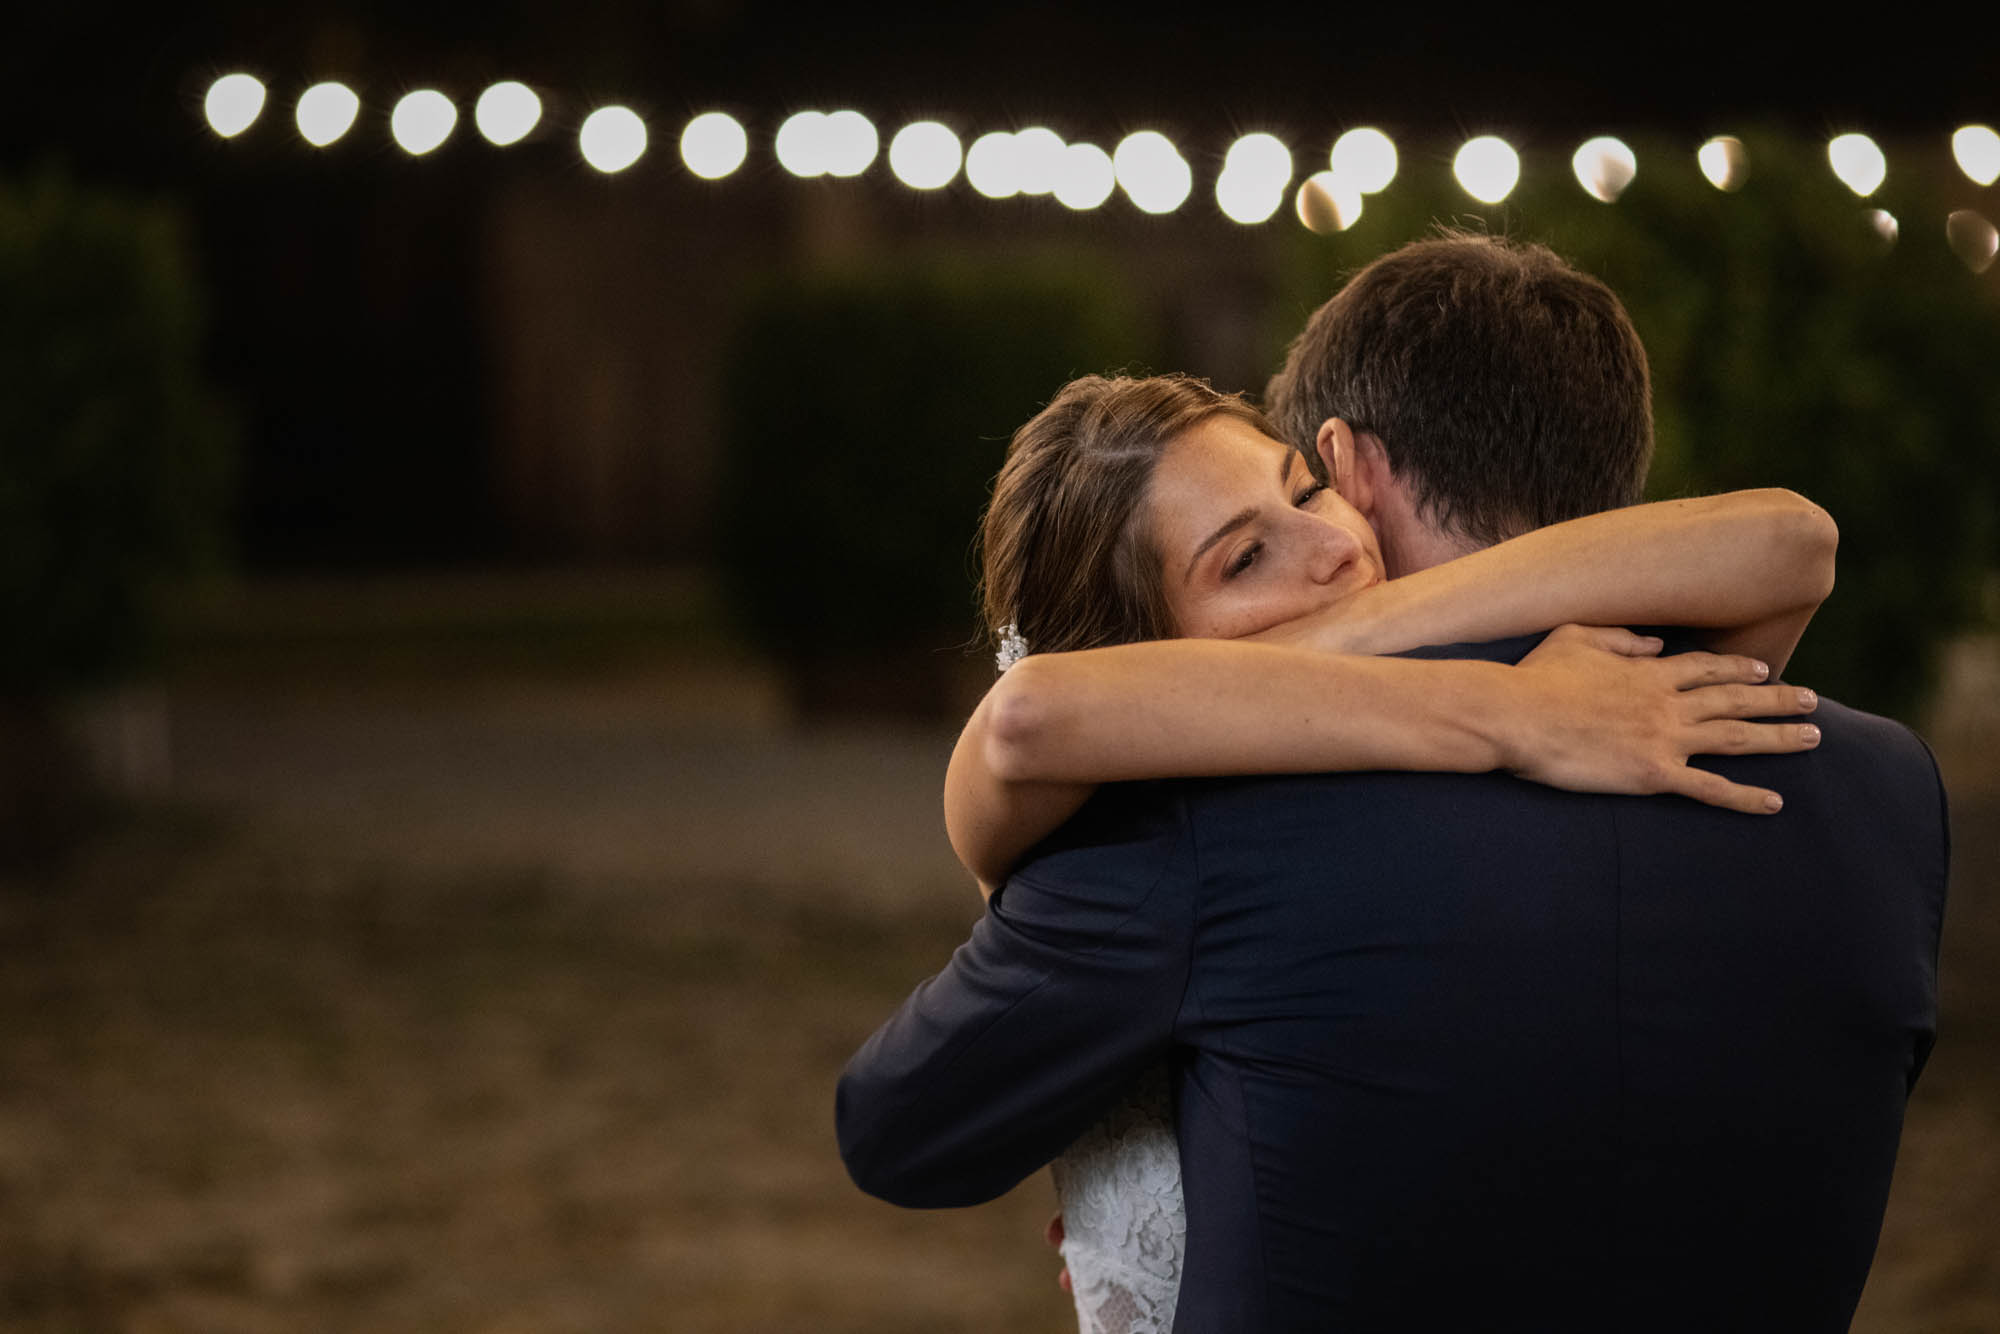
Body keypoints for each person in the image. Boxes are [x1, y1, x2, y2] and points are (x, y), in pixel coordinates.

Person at [838, 236, 1947, 1331]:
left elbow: (898, 1130)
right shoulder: (1883, 790)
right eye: (1239, 559)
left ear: (1349, 465)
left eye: (1306, 493)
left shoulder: (1192, 830)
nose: (1323, 551)